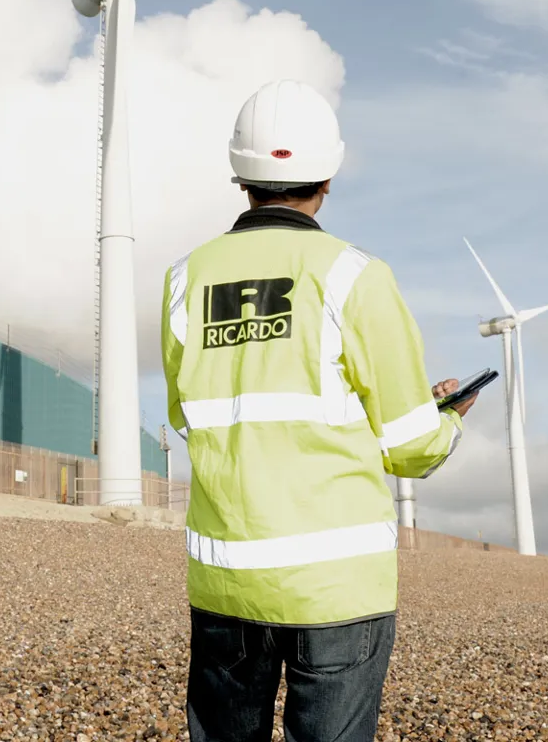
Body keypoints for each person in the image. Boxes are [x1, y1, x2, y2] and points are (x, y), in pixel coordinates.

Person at [160, 79, 477, 742]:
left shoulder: (186, 281)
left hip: (227, 586)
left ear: (238, 175)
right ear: (327, 177)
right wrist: (446, 419)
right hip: (337, 589)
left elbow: (190, 417)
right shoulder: (355, 276)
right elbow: (411, 446)